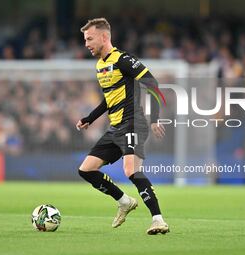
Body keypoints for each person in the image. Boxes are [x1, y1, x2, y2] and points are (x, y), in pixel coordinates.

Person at [76, 18, 169, 235]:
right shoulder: (101, 65)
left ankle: (158, 219)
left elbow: (152, 84)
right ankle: (124, 201)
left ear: (104, 37)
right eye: (85, 40)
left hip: (133, 123)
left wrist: (154, 118)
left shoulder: (123, 59)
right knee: (86, 170)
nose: (86, 44)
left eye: (89, 39)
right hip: (115, 127)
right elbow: (109, 99)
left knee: (131, 170)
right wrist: (90, 117)